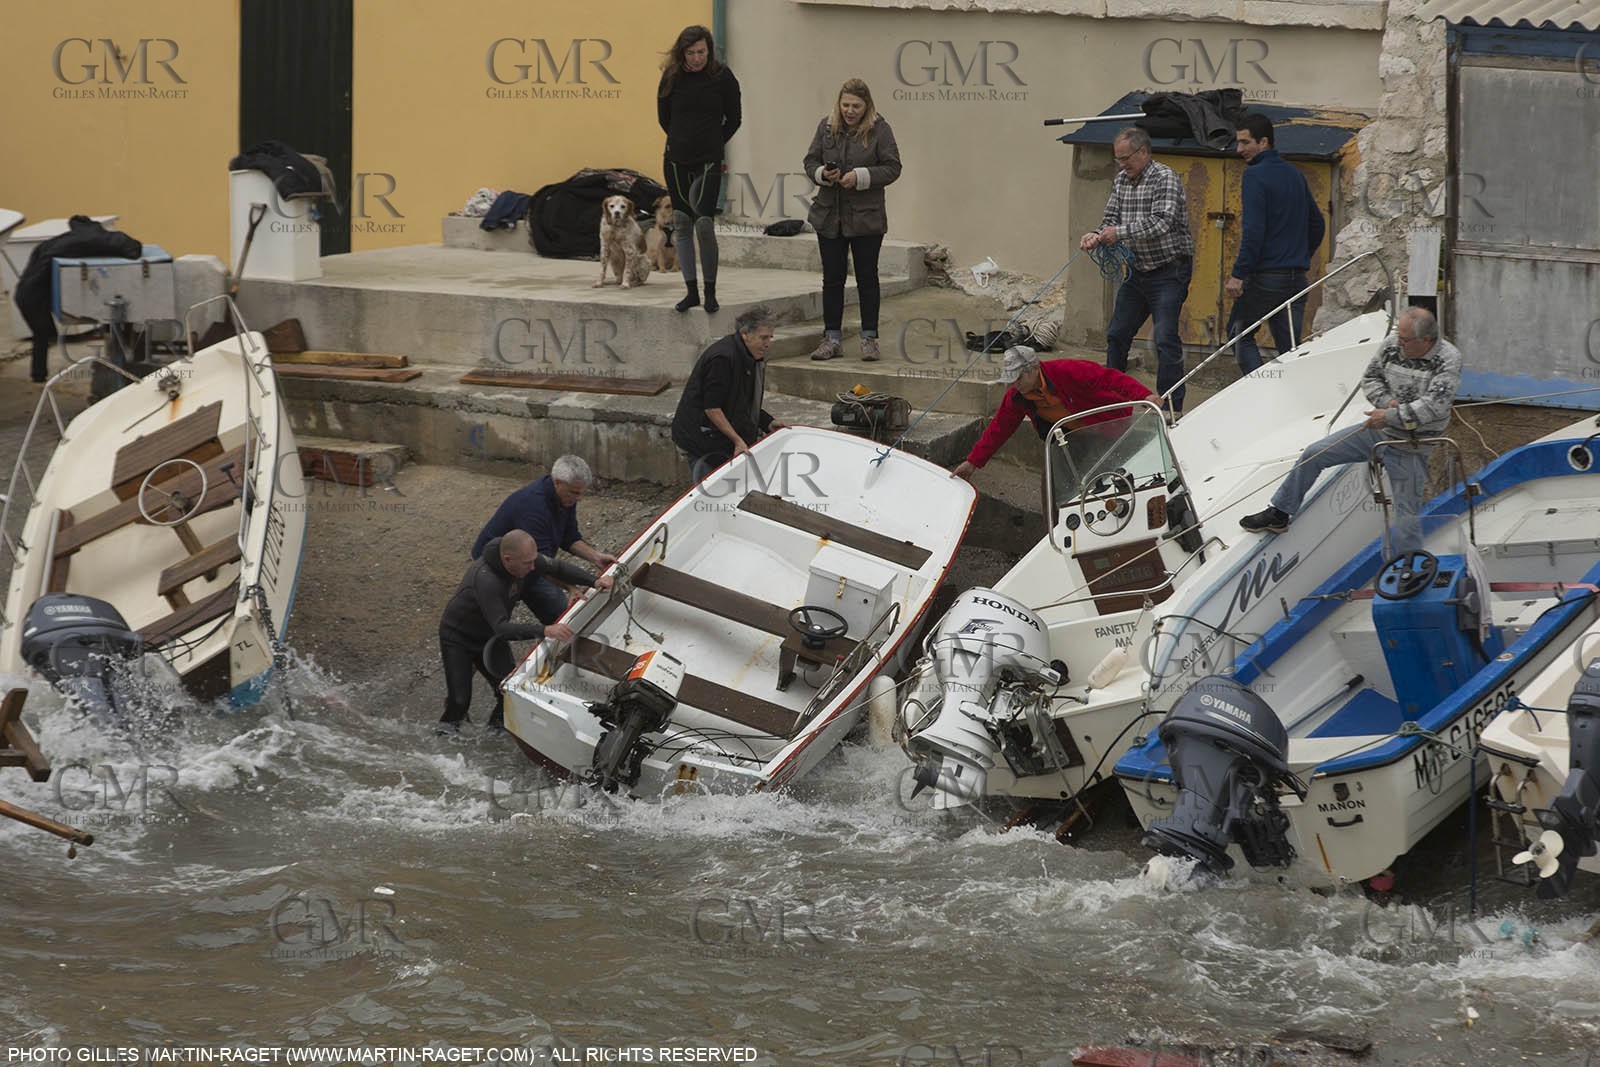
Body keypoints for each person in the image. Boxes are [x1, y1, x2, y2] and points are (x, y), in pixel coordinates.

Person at [1240, 307, 1461, 558]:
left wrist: (1389, 415)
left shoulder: (1448, 359)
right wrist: (1387, 403)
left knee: (1406, 516)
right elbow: (1370, 379)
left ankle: (1408, 566)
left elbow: (1433, 406)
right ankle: (1280, 512)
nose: (1399, 344)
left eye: (1406, 340)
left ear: (1427, 340)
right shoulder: (1393, 344)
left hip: (1412, 444)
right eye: (1399, 337)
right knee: (1314, 453)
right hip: (1380, 431)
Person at [436, 530, 610, 735]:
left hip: (489, 636)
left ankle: (494, 734)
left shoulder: (523, 558)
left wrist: (594, 581)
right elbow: (502, 628)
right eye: (528, 563)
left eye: (534, 560)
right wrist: (545, 630)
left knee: (507, 692)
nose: (533, 567)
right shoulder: (487, 579)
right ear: (508, 559)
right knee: (459, 700)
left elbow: (557, 567)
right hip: (459, 637)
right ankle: (444, 736)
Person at [1079, 128, 1195, 413]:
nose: (1122, 165)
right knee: (1117, 333)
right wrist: (1095, 235)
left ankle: (1170, 407)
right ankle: (1111, 402)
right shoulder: (1121, 180)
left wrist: (1118, 233)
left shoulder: (1164, 177)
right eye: (1118, 159)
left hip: (1169, 272)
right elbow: (1109, 219)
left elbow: (1162, 222)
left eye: (1126, 158)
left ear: (1143, 152)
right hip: (1136, 272)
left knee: (1165, 338)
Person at [802, 78, 902, 362]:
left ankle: (869, 339)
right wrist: (823, 174)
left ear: (866, 105)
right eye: (845, 105)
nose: (849, 111)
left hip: (866, 218)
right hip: (829, 216)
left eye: (856, 106)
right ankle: (831, 338)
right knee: (832, 278)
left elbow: (893, 168)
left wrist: (859, 177)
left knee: (867, 278)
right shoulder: (826, 127)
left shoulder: (880, 130)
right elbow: (810, 161)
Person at [953, 346, 1154, 482]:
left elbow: (1110, 378)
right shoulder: (1016, 395)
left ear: (1034, 369)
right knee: (1052, 483)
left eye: (1018, 377)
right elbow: (999, 428)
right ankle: (1055, 525)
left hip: (1108, 427)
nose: (1015, 384)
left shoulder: (1067, 370)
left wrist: (1144, 395)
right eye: (1011, 379)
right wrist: (973, 462)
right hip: (1070, 437)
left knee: (1108, 478)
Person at [1224, 114, 1326, 374]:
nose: (1239, 149)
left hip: (1266, 278)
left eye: (1245, 142)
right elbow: (1317, 224)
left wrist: (1238, 274)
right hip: (1296, 279)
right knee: (1291, 351)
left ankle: (1261, 391)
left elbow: (1254, 232)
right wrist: (1299, 256)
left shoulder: (1254, 175)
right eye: (1238, 142)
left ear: (1264, 142)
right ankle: (1295, 395)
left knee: (1238, 334)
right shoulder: (1294, 174)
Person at [472, 455, 617, 625]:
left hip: (530, 560)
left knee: (558, 605)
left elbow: (569, 537)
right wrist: (569, 587)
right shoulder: (534, 509)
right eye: (575, 493)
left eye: (581, 493)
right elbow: (539, 563)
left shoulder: (566, 497)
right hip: (500, 565)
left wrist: (595, 557)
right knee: (558, 610)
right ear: (557, 483)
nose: (579, 498)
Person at [657, 25, 741, 314]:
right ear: (682, 53)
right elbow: (664, 118)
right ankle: (691, 291)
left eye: (701, 52)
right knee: (682, 222)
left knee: (704, 223)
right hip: (676, 160)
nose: (696, 58)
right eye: (691, 53)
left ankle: (710, 291)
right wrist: (681, 141)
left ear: (709, 50)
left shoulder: (722, 77)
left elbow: (735, 118)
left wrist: (713, 142)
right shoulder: (672, 76)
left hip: (708, 160)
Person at [672, 306, 787, 483]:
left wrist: (767, 422)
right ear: (745, 334)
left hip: (719, 436)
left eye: (770, 337)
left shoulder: (750, 357)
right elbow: (712, 408)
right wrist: (737, 440)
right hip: (703, 440)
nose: (768, 344)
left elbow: (740, 400)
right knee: (712, 490)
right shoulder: (723, 359)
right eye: (763, 338)